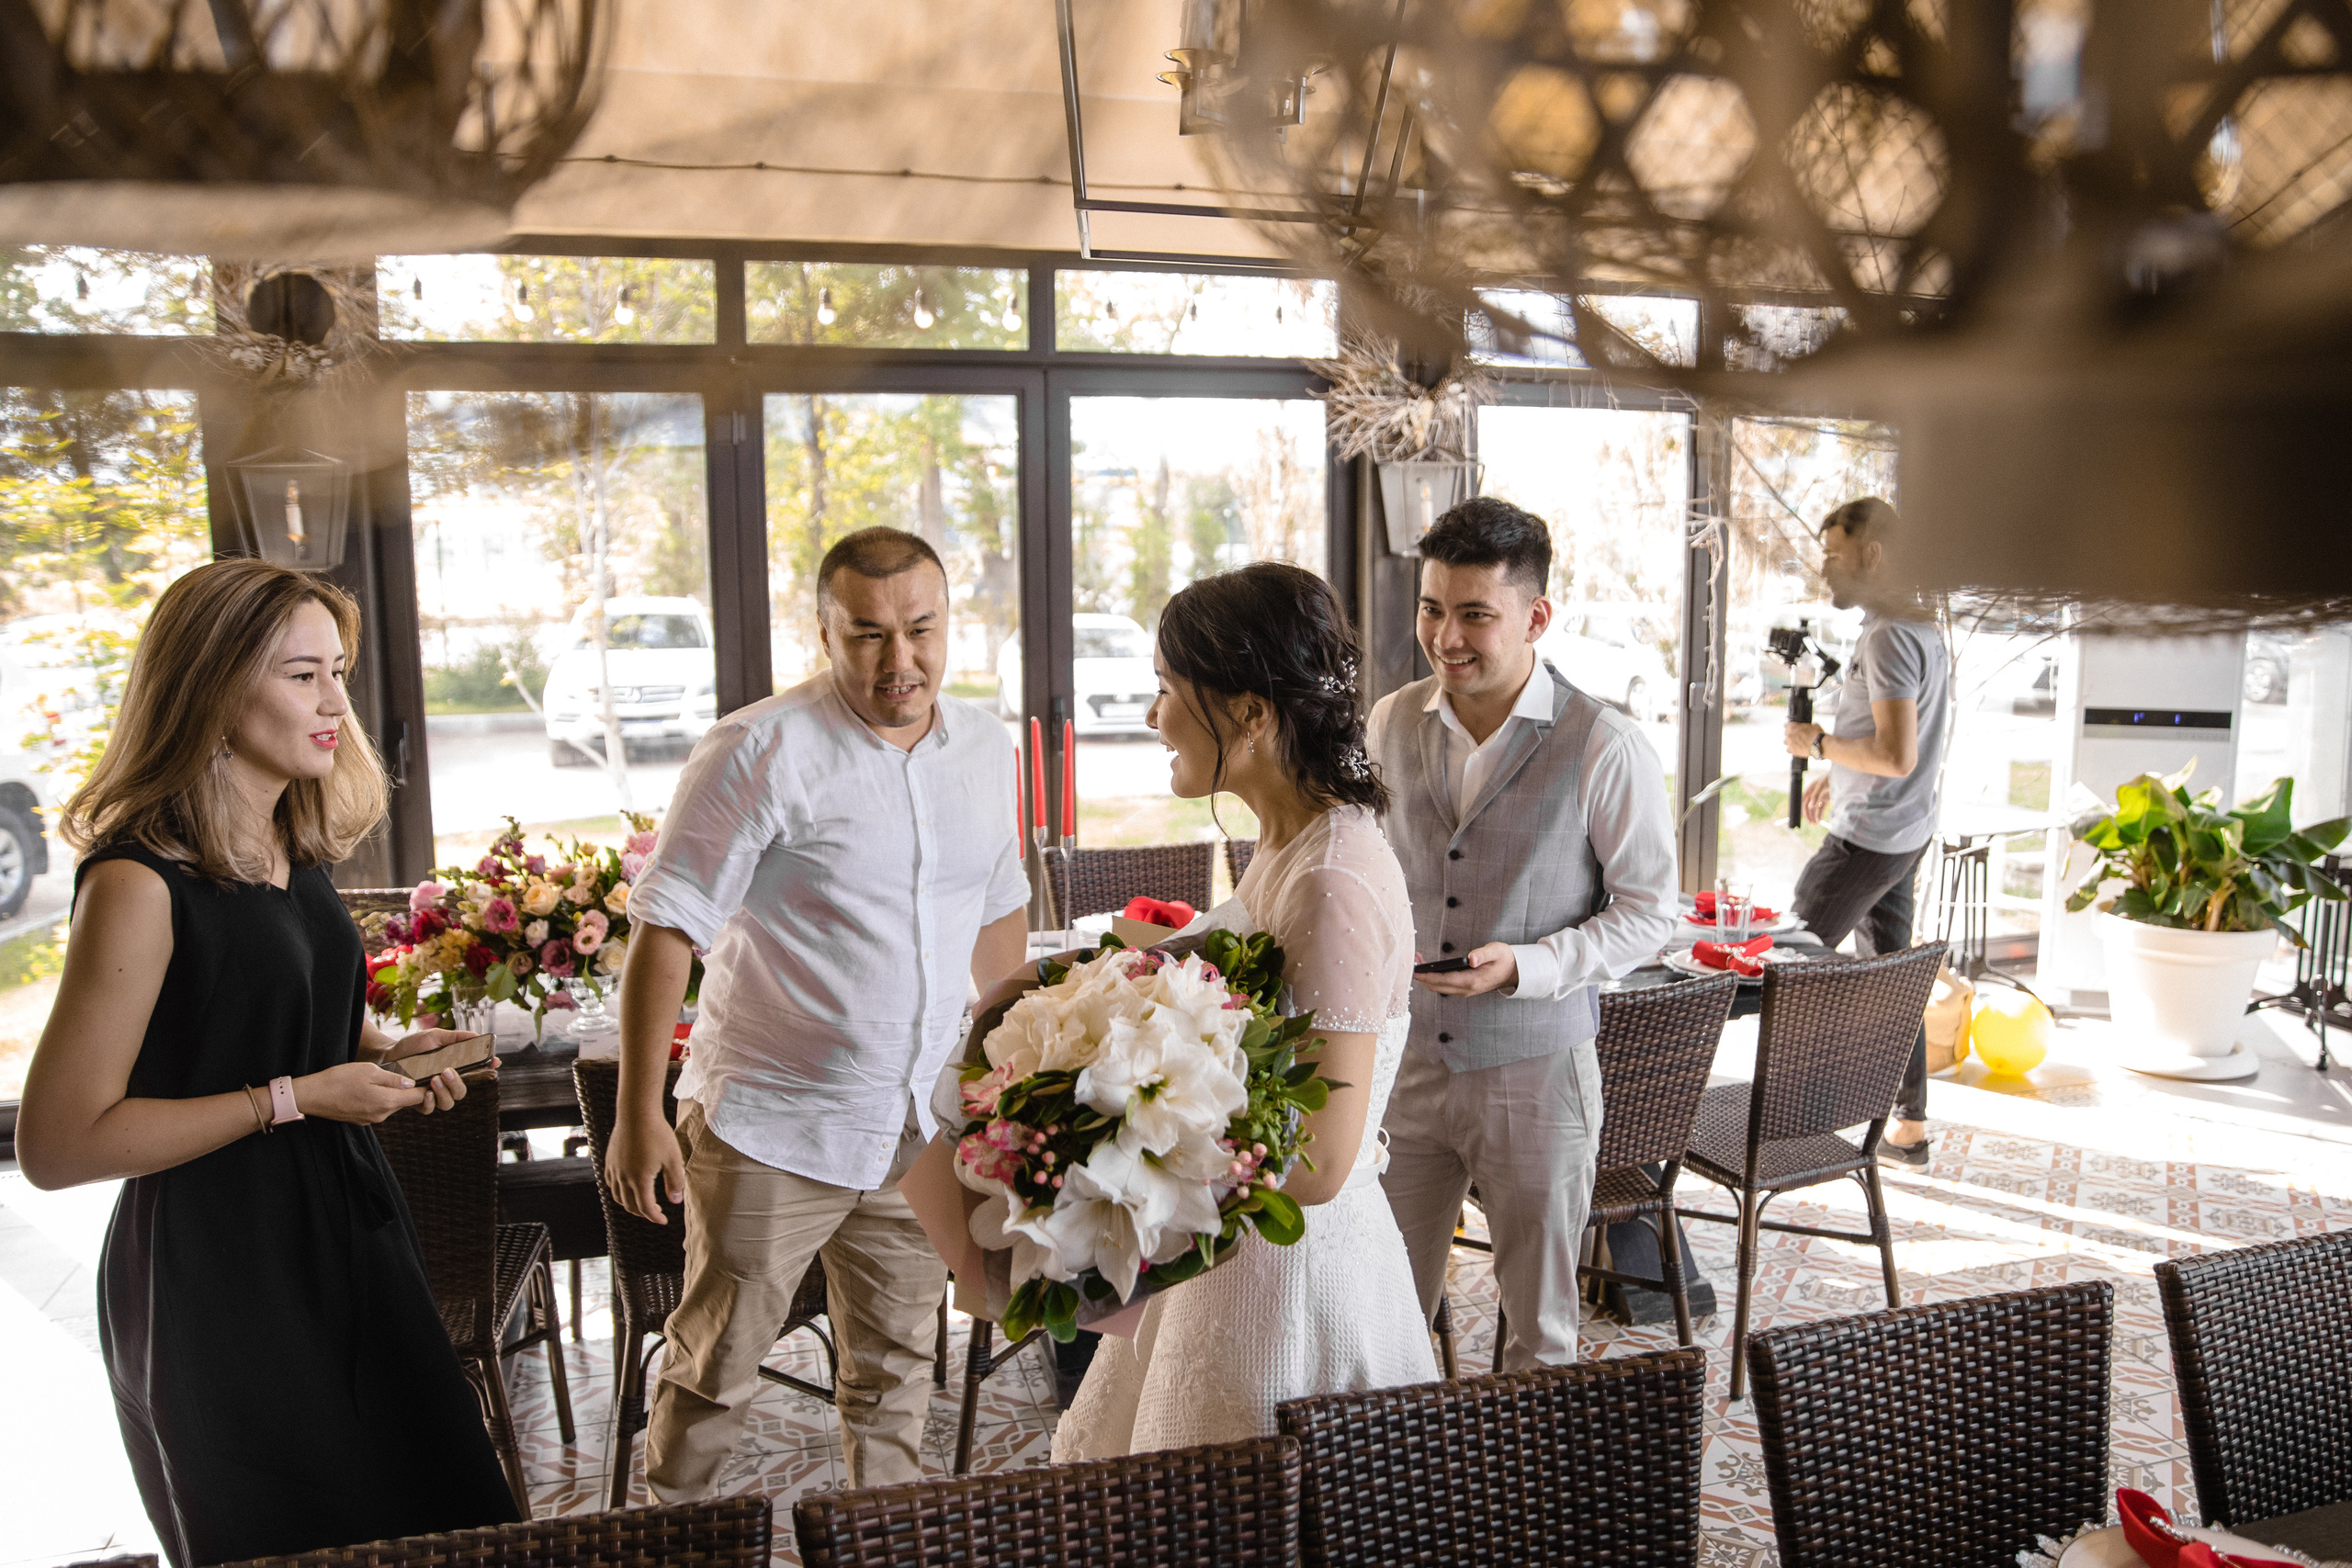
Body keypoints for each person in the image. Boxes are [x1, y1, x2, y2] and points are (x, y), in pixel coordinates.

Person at [14, 559, 516, 1568]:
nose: (338, 702)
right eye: (302, 676)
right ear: (210, 684)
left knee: (448, 1518)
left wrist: (380, 1053)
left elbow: (264, 1026)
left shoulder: (292, 844)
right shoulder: (136, 880)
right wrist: (296, 1097)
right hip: (224, 1277)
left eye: (336, 672)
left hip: (349, 1236)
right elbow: (59, 1144)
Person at [610, 526, 1031, 1495]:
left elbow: (997, 901)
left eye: (921, 630)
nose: (901, 660)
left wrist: (1001, 1083)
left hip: (916, 1130)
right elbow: (664, 931)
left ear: (947, 622)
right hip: (772, 1126)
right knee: (713, 1371)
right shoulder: (757, 747)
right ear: (823, 632)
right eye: (867, 635)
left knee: (895, 1379)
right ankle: (682, 1553)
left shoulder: (980, 743)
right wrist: (639, 1115)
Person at [1048, 562, 1438, 1458]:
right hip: (1234, 1251)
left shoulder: (1333, 877)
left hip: (1294, 1279)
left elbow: (1322, 1165)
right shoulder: (1281, 839)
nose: (1153, 718)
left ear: (1252, 713)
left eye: (1165, 690)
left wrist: (1125, 1137)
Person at [1369, 498, 1679, 1371]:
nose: (1445, 636)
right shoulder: (1388, 722)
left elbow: (1653, 911)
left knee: (1540, 1335)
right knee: (1380, 1308)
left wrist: (1532, 966)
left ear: (1536, 615)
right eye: (1433, 608)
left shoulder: (1605, 742)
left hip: (1537, 1075)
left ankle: (1526, 1504)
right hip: (1408, 1070)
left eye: (1475, 614)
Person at [1781, 496, 1952, 1167]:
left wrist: (1820, 742)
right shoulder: (1918, 625)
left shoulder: (1887, 635)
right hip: (1903, 826)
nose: (1826, 572)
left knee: (1784, 962)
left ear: (1872, 554)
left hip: (1870, 837)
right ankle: (1909, 1125)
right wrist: (1843, 768)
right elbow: (1890, 748)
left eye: (1833, 556)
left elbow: (1896, 754)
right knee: (1889, 972)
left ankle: (1788, 1123)